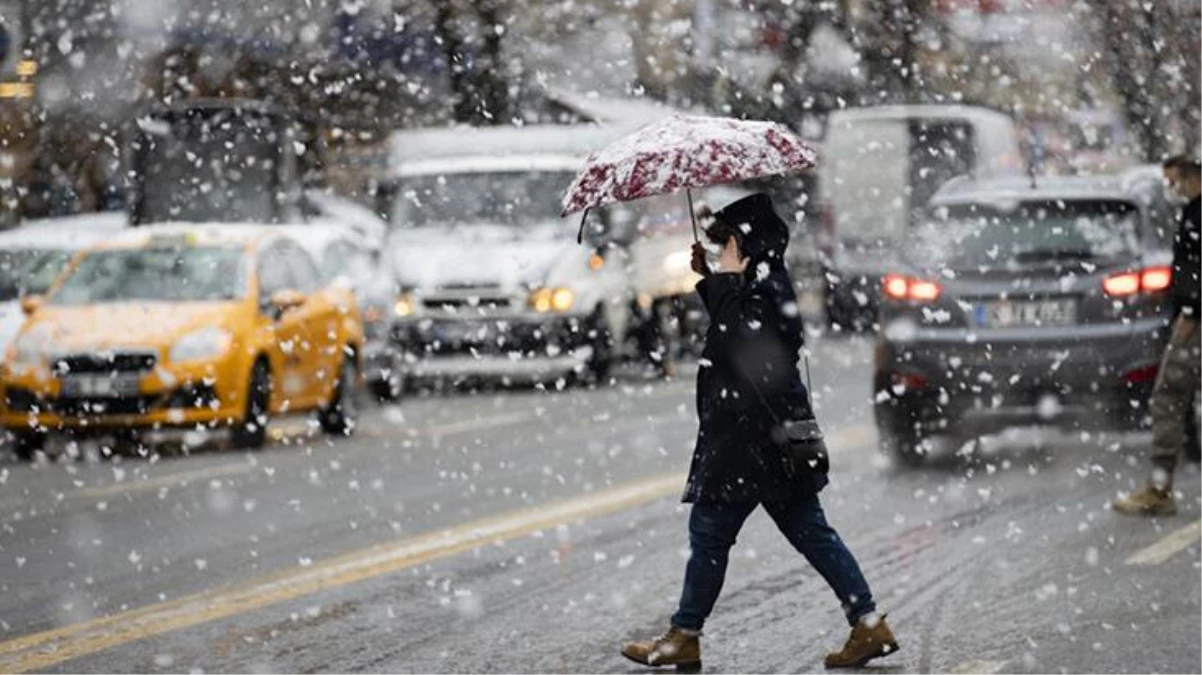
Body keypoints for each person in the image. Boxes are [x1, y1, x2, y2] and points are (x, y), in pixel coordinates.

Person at [620, 194, 898, 670]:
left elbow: (742, 343)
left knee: (710, 533)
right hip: (769, 436)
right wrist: (713, 277)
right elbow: (741, 329)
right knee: (809, 532)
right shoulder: (764, 283)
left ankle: (685, 635)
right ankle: (868, 625)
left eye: (726, 241)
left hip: (751, 440)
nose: (722, 249)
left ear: (744, 243)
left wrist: (723, 281)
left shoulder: (767, 288)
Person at [1115, 157, 1202, 517]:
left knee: (1168, 395)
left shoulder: (1198, 216)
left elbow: (1195, 268)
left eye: (1174, 181)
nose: (1171, 190)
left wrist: (1192, 312)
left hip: (1196, 322)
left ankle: (1160, 487)